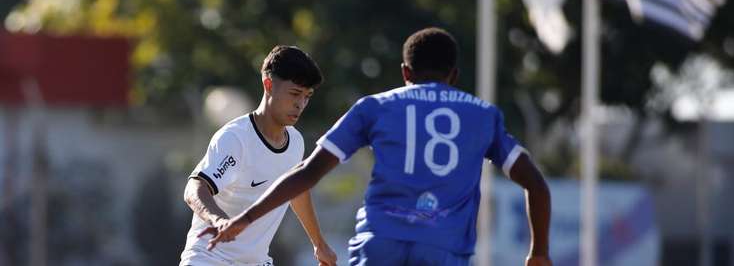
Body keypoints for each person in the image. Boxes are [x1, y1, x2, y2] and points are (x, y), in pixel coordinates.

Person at [202, 28, 552, 266]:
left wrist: (245, 218)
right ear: (455, 76)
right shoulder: (483, 116)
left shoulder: (376, 107)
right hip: (444, 249)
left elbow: (307, 173)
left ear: (405, 73)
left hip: (380, 244)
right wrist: (539, 253)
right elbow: (536, 184)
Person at [180, 45, 337, 266]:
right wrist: (218, 220)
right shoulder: (235, 138)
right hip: (209, 258)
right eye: (294, 93)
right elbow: (194, 189)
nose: (300, 104)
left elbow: (297, 192)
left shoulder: (296, 142)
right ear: (269, 85)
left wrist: (319, 245)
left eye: (307, 96)